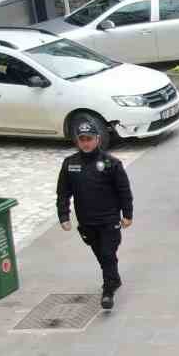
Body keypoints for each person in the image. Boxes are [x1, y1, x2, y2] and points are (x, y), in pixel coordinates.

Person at [56, 122, 133, 310]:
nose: (86, 143)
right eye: (82, 140)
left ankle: (108, 291)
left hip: (109, 220)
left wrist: (127, 214)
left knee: (107, 253)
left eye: (89, 139)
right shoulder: (70, 164)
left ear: (97, 139)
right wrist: (64, 216)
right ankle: (114, 278)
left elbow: (124, 190)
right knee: (102, 255)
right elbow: (63, 193)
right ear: (77, 141)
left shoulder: (111, 163)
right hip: (87, 221)